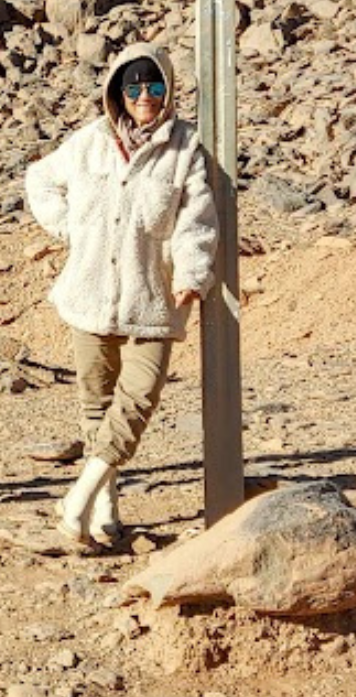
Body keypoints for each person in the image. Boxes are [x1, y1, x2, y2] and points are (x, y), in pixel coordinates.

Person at [25, 42, 219, 544]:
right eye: (133, 86)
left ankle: (77, 499)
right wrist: (70, 228)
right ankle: (104, 509)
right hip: (88, 294)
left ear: (168, 89)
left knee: (137, 400)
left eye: (153, 85)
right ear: (117, 91)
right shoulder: (89, 142)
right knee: (97, 403)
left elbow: (196, 220)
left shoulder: (184, 149)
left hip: (152, 299)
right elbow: (40, 180)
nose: (144, 96)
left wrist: (191, 273)